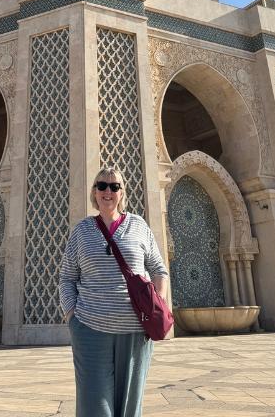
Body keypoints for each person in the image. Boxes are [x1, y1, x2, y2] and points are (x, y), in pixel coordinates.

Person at [59, 167, 169, 417]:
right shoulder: (82, 231)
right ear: (94, 192)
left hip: (135, 332)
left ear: (122, 193)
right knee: (94, 406)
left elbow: (159, 270)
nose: (108, 191)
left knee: (129, 407)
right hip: (89, 330)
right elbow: (66, 277)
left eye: (114, 186)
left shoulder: (138, 226)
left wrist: (155, 307)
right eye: (102, 186)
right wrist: (72, 316)